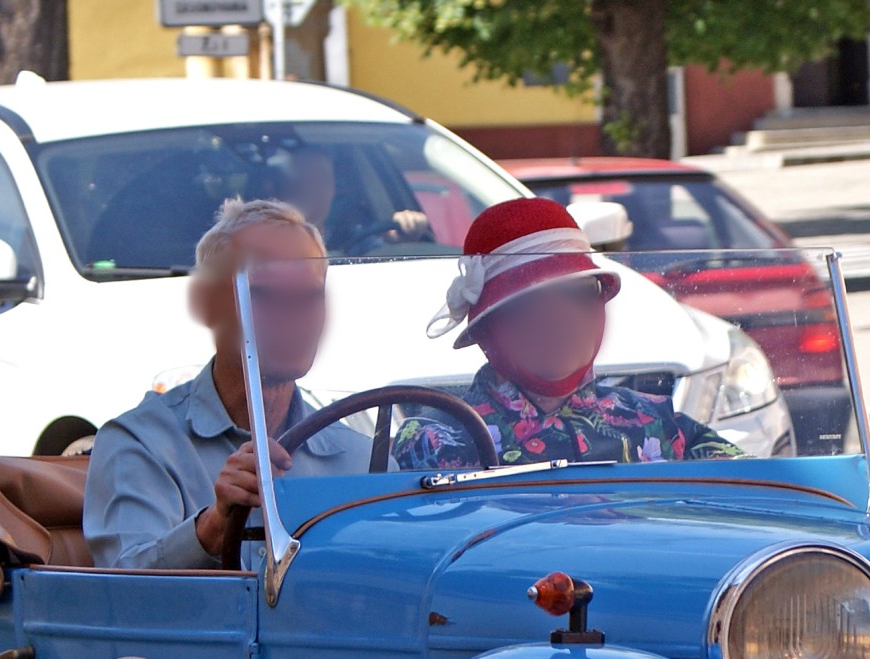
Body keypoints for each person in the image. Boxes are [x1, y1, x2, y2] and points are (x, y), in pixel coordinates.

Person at [82, 198, 368, 570]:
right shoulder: (142, 443)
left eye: (309, 296)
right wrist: (213, 526)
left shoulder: (359, 457)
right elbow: (123, 593)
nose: (294, 316)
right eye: (265, 296)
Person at [395, 198, 739, 473]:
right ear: (488, 328)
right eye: (529, 303)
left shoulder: (656, 421)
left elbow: (764, 497)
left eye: (580, 292)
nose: (560, 317)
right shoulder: (434, 441)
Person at [284, 144, 429, 252]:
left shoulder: (354, 240)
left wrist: (405, 235)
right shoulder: (267, 246)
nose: (311, 188)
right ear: (282, 189)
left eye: (320, 178)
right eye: (301, 179)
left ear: (333, 188)